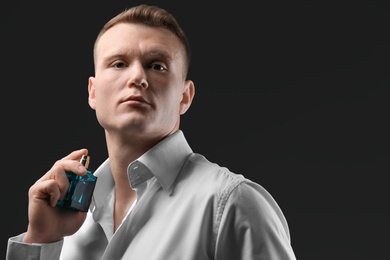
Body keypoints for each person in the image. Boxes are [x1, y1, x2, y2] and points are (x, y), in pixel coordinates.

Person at [6, 4, 296, 260]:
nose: (137, 77)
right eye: (119, 63)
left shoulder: (232, 203)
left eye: (157, 66)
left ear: (185, 96)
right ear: (93, 93)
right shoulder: (66, 219)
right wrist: (41, 240)